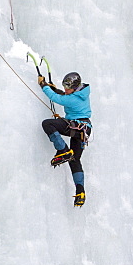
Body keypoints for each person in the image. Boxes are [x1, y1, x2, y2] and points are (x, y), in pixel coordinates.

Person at [37, 71, 91, 208]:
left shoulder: (73, 98)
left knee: (47, 124)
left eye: (68, 87)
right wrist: (54, 88)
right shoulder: (81, 93)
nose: (66, 90)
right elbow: (63, 94)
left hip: (76, 126)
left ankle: (63, 150)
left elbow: (57, 98)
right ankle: (80, 192)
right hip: (84, 130)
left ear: (75, 86)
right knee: (75, 160)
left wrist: (43, 85)